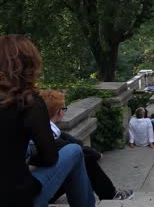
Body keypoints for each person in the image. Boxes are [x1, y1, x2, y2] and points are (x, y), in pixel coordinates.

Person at [0, 35, 95, 207]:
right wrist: (28, 159)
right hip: (16, 197)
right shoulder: (29, 102)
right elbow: (50, 157)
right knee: (74, 150)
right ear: (29, 65)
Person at [39, 90, 133, 201]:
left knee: (83, 160)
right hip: (42, 191)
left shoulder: (44, 127)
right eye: (64, 109)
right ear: (60, 112)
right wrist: (95, 154)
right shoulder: (44, 134)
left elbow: (67, 139)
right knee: (86, 160)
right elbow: (75, 150)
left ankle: (109, 194)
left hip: (42, 181)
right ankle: (110, 195)